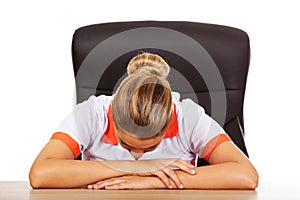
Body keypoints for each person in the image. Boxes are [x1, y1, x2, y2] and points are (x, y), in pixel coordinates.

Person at [29, 53, 258, 190]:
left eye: (151, 148)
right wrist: (140, 168)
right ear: (112, 115)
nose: (138, 152)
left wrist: (155, 181)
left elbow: (246, 175)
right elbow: (40, 174)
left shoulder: (188, 116)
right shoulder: (91, 114)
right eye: (126, 145)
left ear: (169, 121)